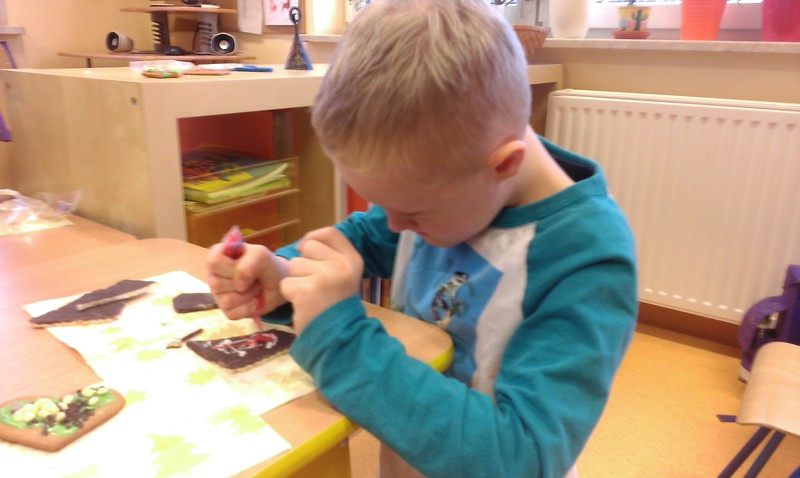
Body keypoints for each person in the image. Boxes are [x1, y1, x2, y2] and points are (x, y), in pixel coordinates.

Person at [205, 0, 638, 476]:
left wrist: (341, 341)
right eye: (382, 203)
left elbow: (524, 458)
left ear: (504, 165)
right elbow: (360, 239)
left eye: (410, 212)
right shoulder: (448, 186)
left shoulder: (588, 261)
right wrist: (284, 277)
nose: (391, 225)